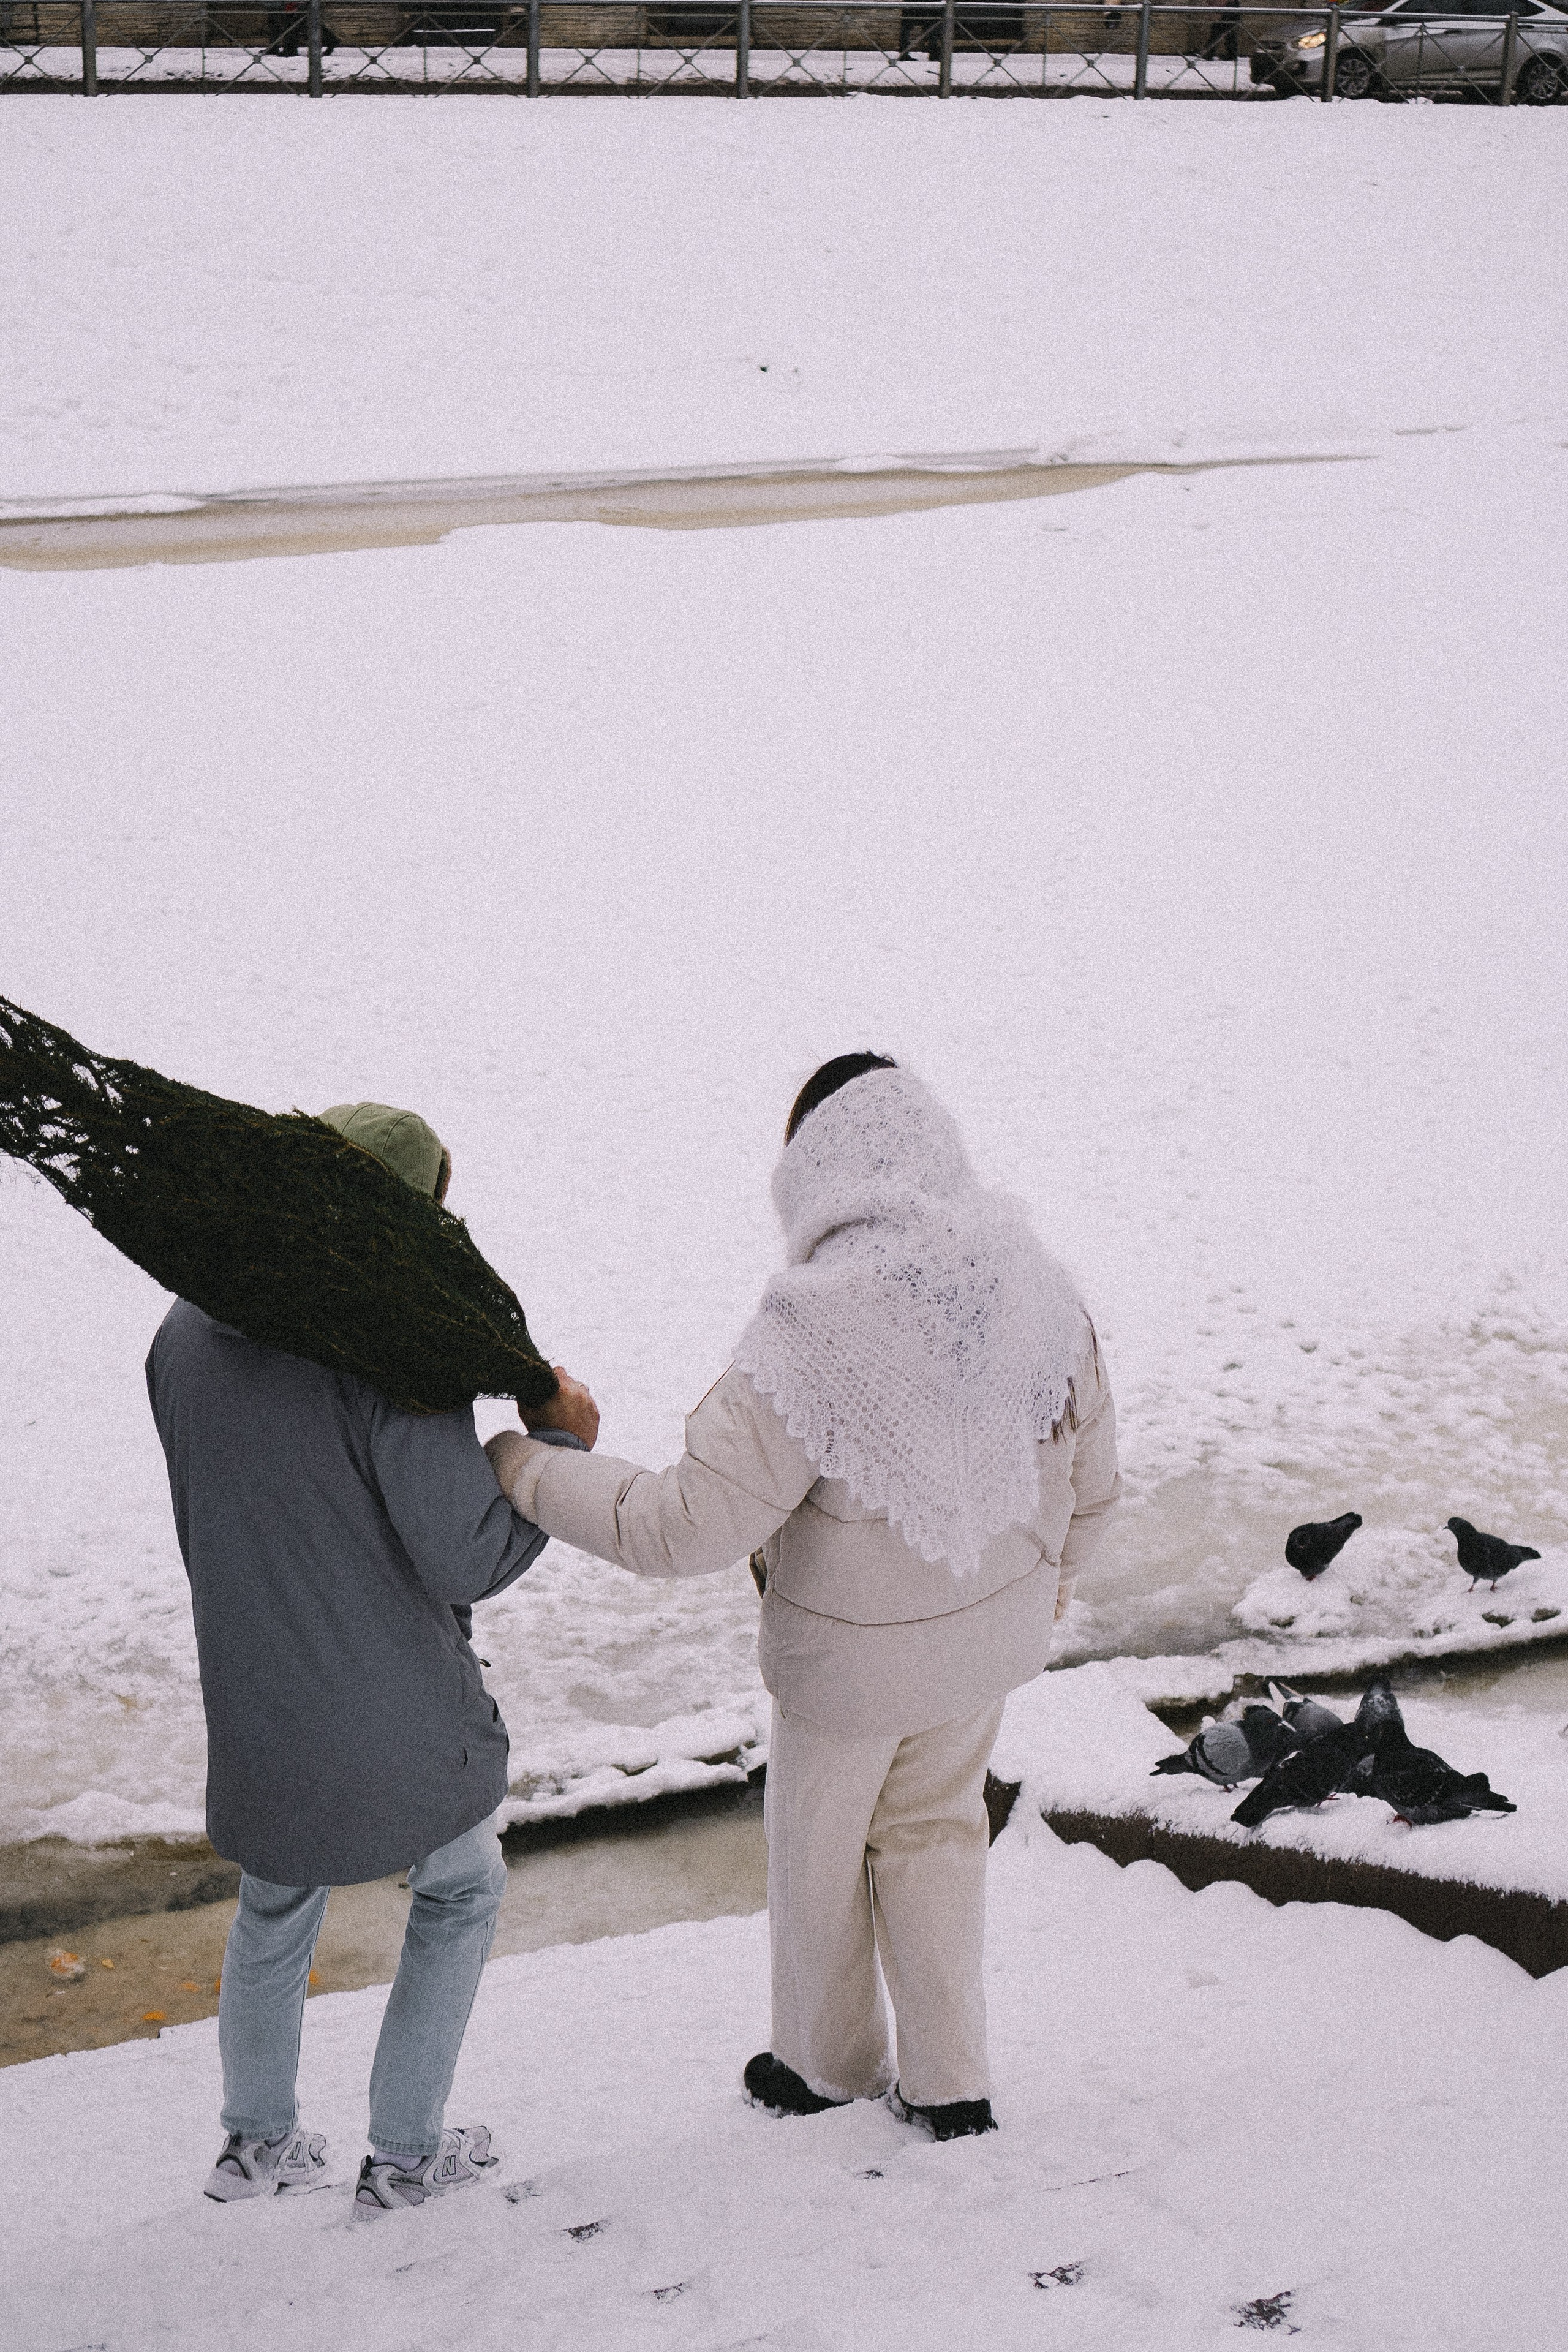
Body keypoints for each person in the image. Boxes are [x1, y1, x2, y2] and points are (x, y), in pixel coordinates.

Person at [486, 1055, 1119, 2143]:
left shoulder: (810, 1329)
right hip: (988, 1645)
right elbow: (1095, 1481)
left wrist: (523, 1466)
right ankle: (951, 2082)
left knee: (821, 1859)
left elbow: (680, 1526)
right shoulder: (1035, 1285)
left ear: (814, 1174)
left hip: (847, 1670)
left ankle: (825, 2067)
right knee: (934, 1836)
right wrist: (1048, 1585)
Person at [145, 1099, 598, 2211]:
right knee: (457, 1893)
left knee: (273, 1908)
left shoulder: (185, 1332)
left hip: (254, 1702)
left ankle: (254, 2147)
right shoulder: (389, 1361)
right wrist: (555, 1445)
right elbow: (467, 1557)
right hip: (392, 1716)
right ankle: (401, 2157)